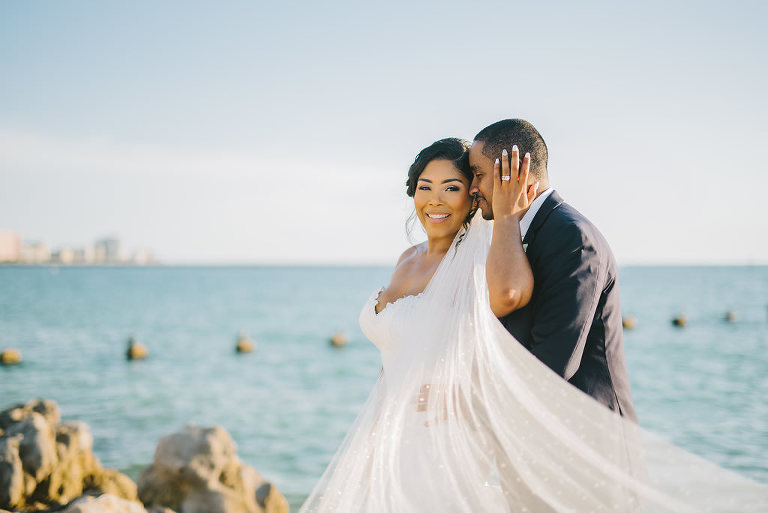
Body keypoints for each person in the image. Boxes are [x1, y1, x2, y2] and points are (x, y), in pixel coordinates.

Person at [298, 137, 768, 513]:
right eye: (425, 185)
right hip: (406, 431)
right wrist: (377, 433)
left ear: (507, 176)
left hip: (520, 438)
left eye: (461, 183)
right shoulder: (411, 258)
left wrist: (458, 397)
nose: (440, 197)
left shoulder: (510, 244)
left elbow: (529, 327)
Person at [468, 119, 636, 420]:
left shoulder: (573, 238)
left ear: (513, 170)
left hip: (593, 444)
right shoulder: (515, 236)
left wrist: (462, 400)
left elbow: (552, 364)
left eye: (478, 174)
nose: (472, 188)